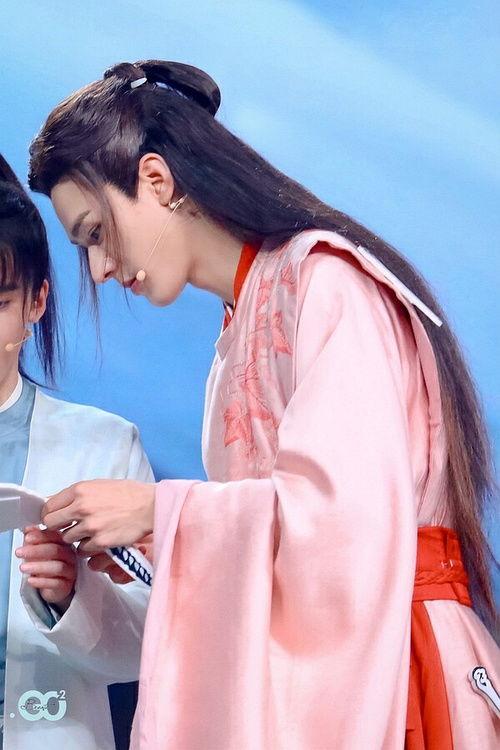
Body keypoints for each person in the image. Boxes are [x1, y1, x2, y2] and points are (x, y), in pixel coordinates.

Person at [28, 60, 499, 749]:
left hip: (403, 673)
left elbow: (348, 527)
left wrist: (160, 513)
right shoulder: (240, 330)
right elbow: (280, 555)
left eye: (96, 232)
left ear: (156, 180)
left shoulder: (327, 282)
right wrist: (146, 551)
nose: (98, 269)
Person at [0, 153, 153, 749]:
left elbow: (147, 643)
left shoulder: (105, 446)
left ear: (36, 303)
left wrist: (69, 597)